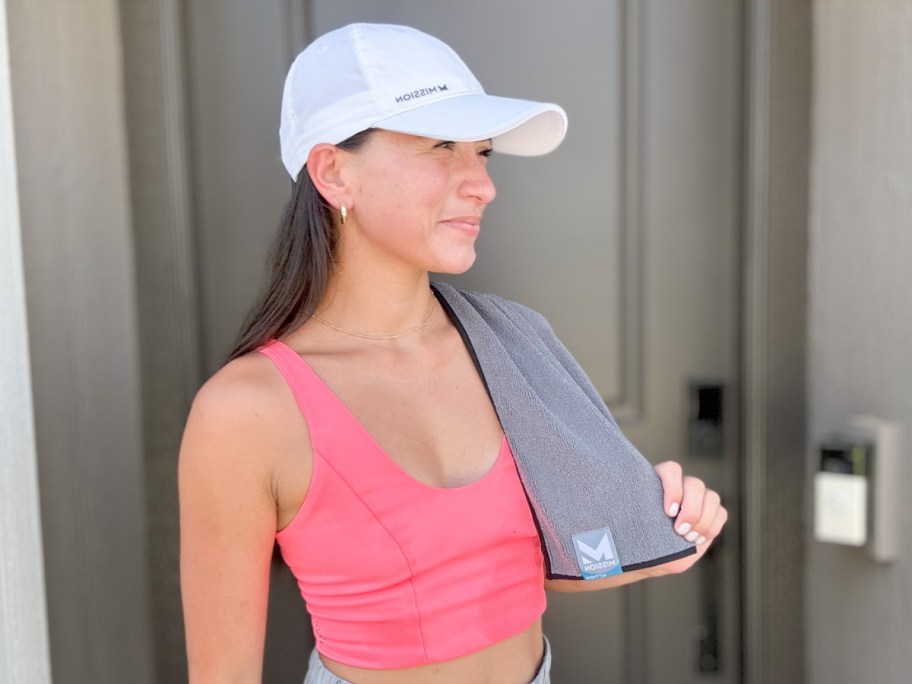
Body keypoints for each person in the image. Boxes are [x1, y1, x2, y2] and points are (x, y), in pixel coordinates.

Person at [178, 23, 727, 684]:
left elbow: (533, 568)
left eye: (484, 153)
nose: (482, 185)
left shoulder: (511, 346)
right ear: (333, 172)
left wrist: (664, 535)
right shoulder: (247, 412)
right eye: (442, 146)